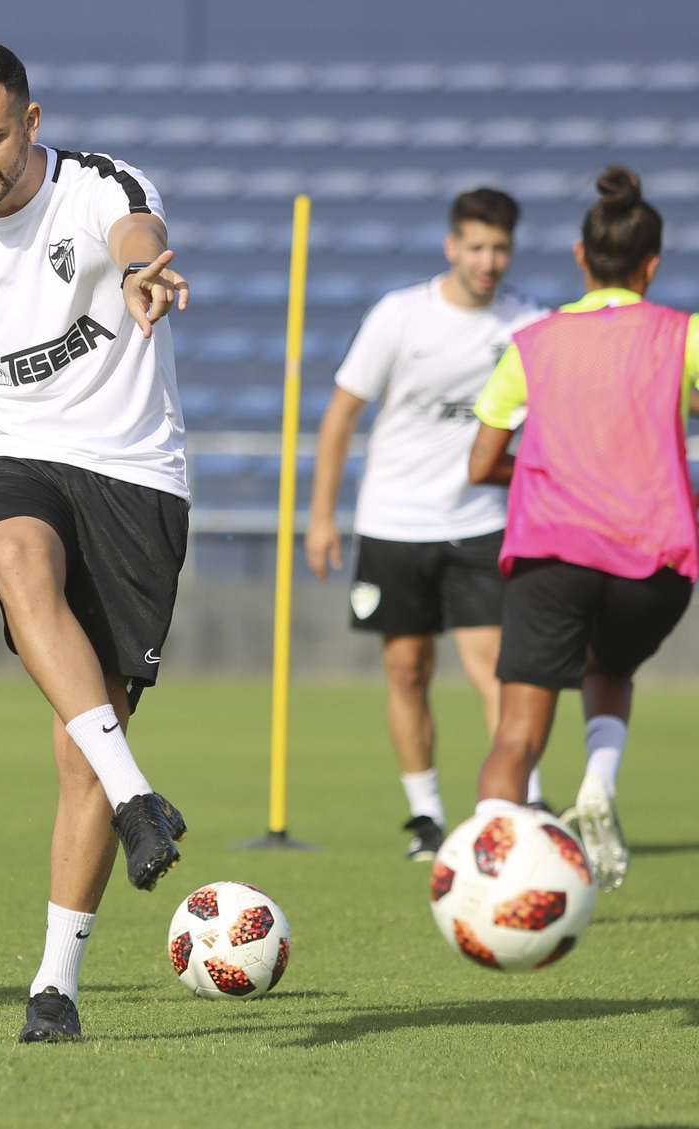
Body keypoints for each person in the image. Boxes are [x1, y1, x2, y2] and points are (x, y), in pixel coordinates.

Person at [0, 41, 190, 1043]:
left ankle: (55, 981)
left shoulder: (99, 184)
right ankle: (139, 795)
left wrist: (146, 270)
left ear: (28, 120)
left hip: (135, 479)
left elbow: (135, 229)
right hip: (21, 460)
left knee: (80, 752)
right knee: (15, 554)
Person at [467, 166, 699, 890]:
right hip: (653, 560)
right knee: (611, 666)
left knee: (516, 735)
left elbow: (482, 463)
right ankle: (598, 780)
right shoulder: (686, 331)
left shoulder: (534, 341)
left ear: (578, 256)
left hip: (553, 551)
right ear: (651, 265)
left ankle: (487, 887)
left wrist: (550, 468)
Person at [306, 188, 551, 862]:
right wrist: (322, 516)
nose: (488, 260)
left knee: (497, 669)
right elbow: (340, 415)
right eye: (476, 246)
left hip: (482, 524)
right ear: (452, 246)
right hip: (394, 522)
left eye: (500, 247)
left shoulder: (529, 324)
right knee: (408, 667)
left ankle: (520, 802)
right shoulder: (400, 316)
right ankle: (426, 816)